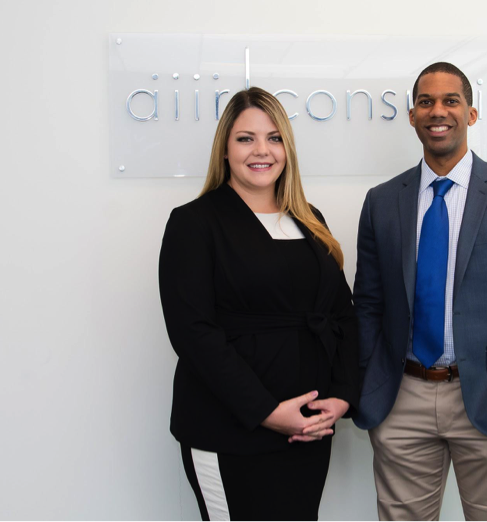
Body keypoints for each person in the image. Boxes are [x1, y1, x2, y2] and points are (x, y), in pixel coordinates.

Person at [352, 62, 487, 521]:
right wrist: (370, 378)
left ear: (471, 113)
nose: (437, 110)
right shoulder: (382, 201)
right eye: (425, 101)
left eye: (450, 100)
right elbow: (367, 302)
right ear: (412, 115)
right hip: (402, 397)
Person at [158, 87, 360, 522]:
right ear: (225, 150)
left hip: (308, 430)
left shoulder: (311, 220)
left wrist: (343, 395)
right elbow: (193, 334)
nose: (261, 151)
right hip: (231, 429)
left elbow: (343, 314)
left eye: (273, 138)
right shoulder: (194, 224)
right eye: (245, 138)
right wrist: (267, 412)